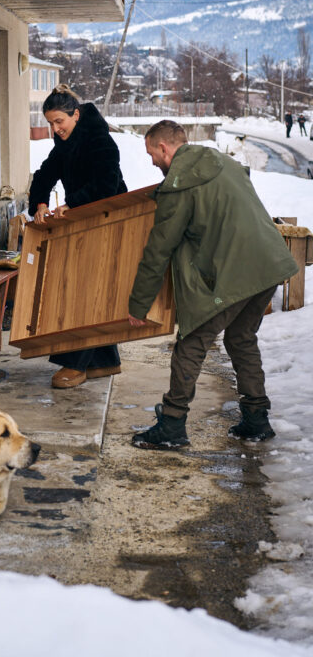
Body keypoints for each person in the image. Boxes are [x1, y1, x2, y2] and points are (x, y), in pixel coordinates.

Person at [127, 120, 298, 449]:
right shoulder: (222, 162)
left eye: (151, 153)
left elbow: (158, 249)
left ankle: (172, 424)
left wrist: (138, 304)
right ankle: (256, 419)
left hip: (237, 272)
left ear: (165, 148)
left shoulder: (179, 184)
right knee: (241, 338)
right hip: (269, 264)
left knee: (191, 343)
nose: (151, 161)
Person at [28, 84, 128, 389]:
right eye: (50, 124)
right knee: (86, 288)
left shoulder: (101, 141)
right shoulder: (65, 143)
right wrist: (40, 203)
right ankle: (104, 361)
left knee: (82, 292)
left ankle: (75, 364)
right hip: (83, 221)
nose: (55, 129)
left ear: (76, 114)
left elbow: (107, 185)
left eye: (60, 121)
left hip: (108, 222)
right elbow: (45, 174)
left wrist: (72, 204)